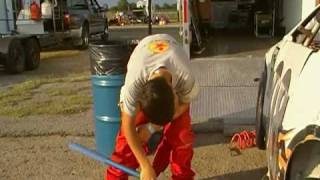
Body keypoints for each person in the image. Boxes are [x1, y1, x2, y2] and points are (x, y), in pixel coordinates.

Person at [105, 34, 199, 180]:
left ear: (175, 93)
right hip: (143, 56)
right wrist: (145, 166)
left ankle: (181, 176)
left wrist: (151, 128)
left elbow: (184, 104)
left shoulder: (185, 78)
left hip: (171, 51)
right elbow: (128, 126)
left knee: (182, 139)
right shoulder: (134, 85)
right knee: (124, 146)